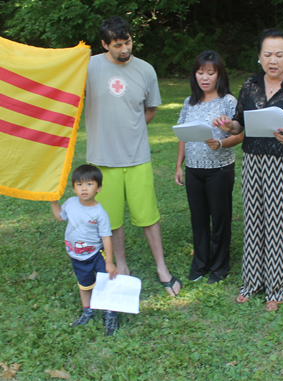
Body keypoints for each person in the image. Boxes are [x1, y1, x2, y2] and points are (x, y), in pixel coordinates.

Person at [213, 29, 283, 311]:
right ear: (259, 57)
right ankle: (252, 282)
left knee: (278, 223)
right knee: (254, 220)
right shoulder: (250, 85)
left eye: (279, 54)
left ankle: (277, 287)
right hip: (253, 160)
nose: (273, 60)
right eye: (267, 54)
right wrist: (228, 127)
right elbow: (238, 125)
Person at [84, 16, 182, 296]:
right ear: (104, 44)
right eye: (117, 45)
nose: (125, 49)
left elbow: (151, 109)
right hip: (103, 159)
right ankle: (122, 266)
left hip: (138, 157)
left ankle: (162, 268)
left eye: (127, 42)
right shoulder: (89, 67)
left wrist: (132, 128)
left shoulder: (146, 70)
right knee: (112, 220)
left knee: (148, 216)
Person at [174, 51, 243, 284]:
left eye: (210, 73)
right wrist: (179, 166)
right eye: (200, 72)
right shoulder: (189, 102)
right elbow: (182, 135)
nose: (205, 77)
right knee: (199, 219)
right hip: (194, 170)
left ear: (219, 75)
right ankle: (200, 263)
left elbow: (240, 134)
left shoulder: (228, 101)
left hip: (220, 170)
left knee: (220, 219)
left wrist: (221, 141)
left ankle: (220, 267)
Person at [50, 164, 119, 336]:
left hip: (96, 255)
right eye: (79, 185)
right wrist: (52, 200)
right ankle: (88, 311)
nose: (84, 188)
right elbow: (60, 217)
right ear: (73, 188)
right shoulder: (70, 204)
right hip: (77, 256)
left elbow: (106, 238)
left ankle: (111, 314)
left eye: (89, 184)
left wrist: (109, 262)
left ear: (99, 188)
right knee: (85, 285)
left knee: (106, 283)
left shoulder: (100, 213)